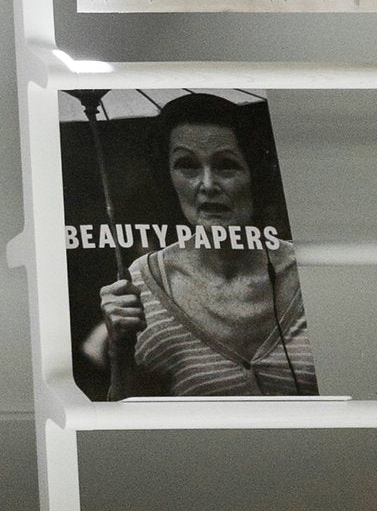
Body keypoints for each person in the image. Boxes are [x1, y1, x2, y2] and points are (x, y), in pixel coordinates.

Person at [84, 100, 315, 398]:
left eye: (226, 165)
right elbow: (127, 417)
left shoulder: (308, 269)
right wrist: (119, 351)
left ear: (256, 173)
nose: (207, 185)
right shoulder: (142, 284)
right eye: (188, 166)